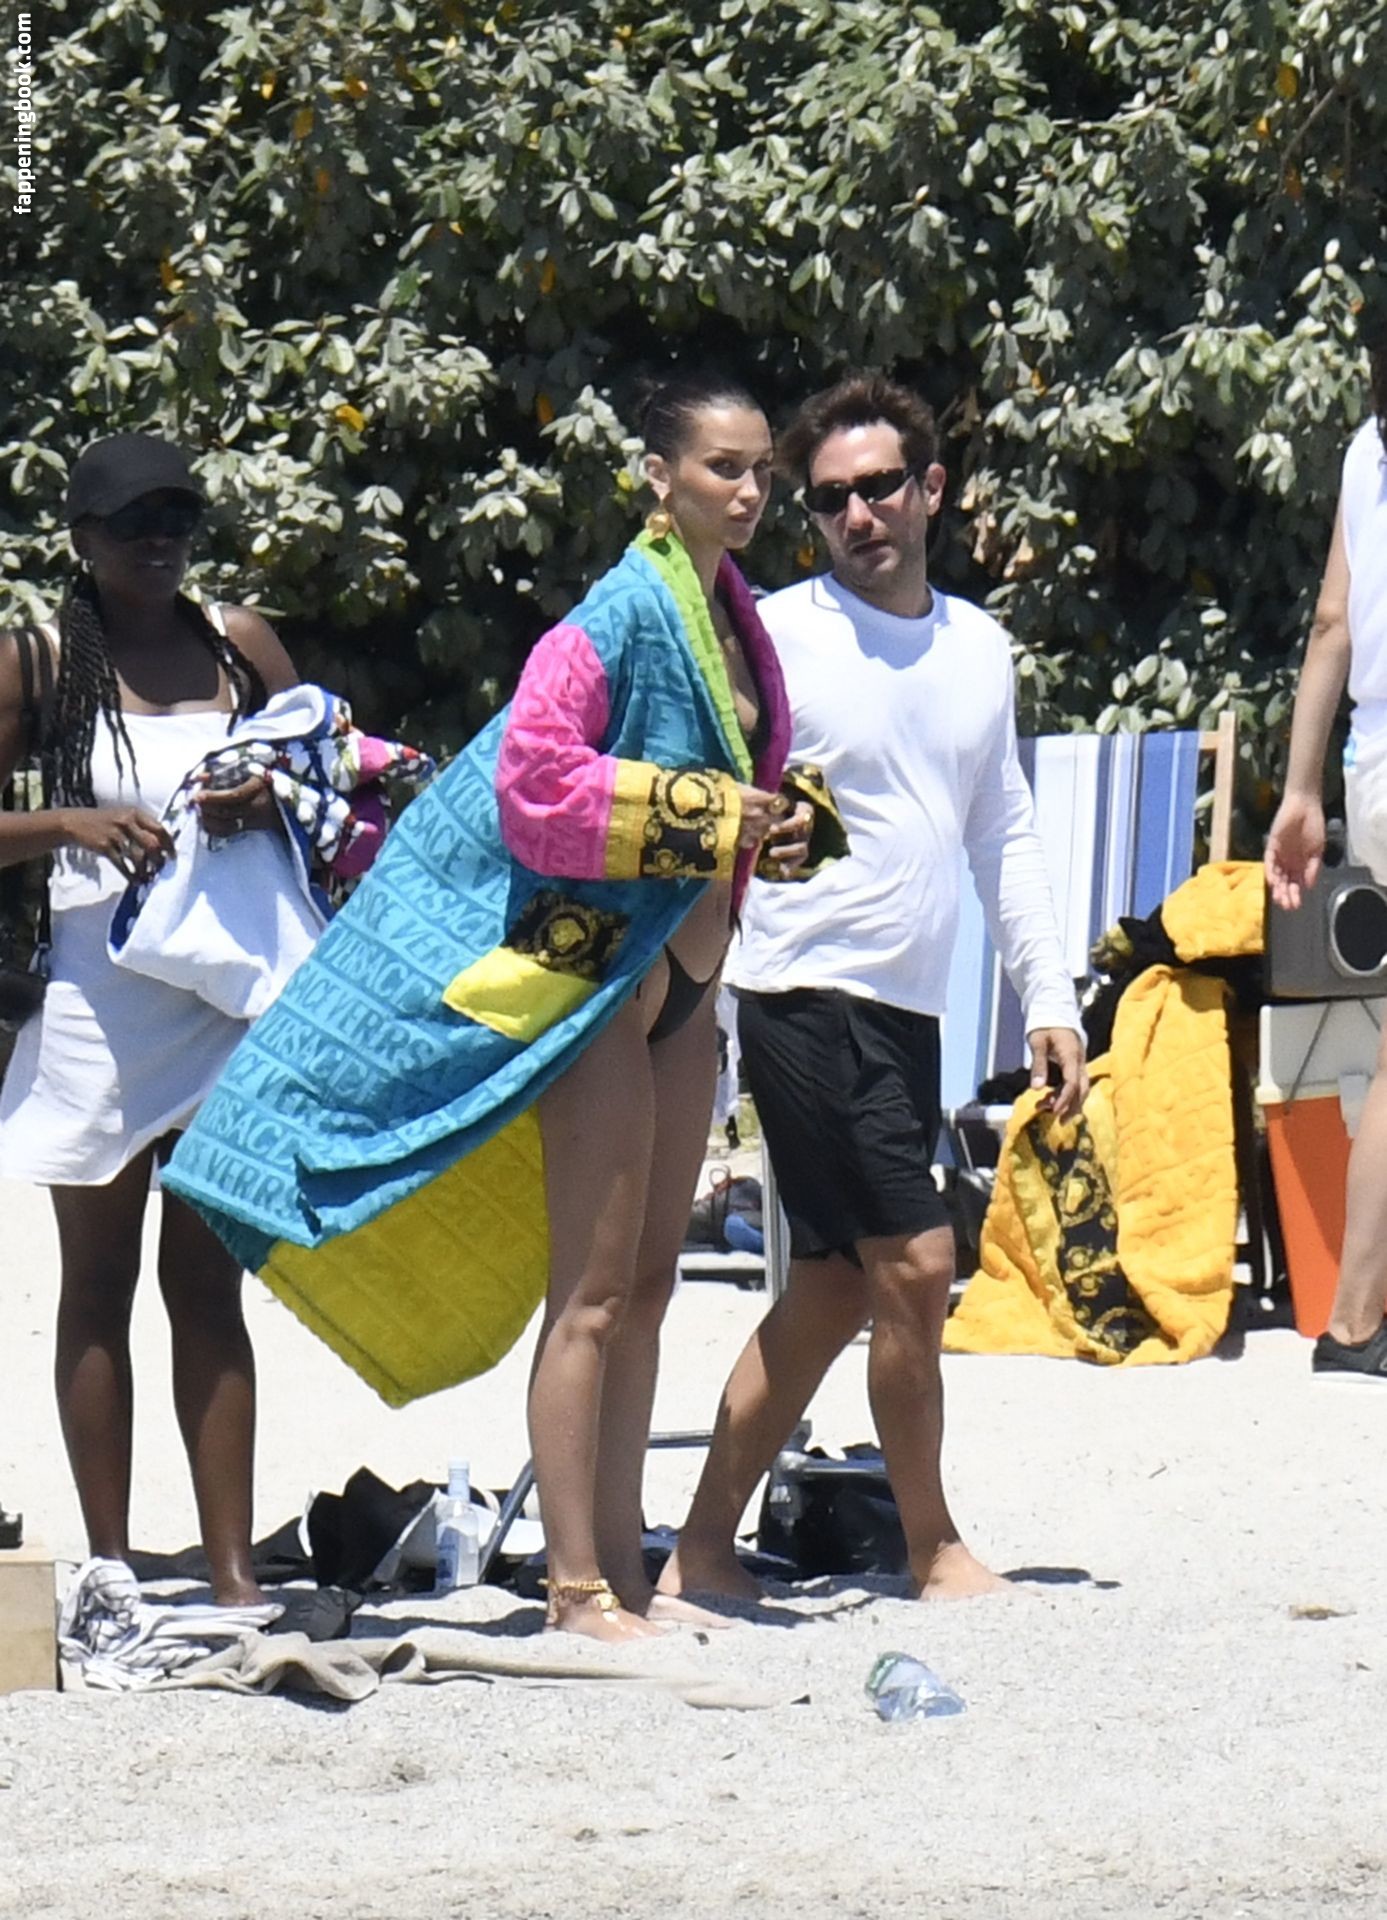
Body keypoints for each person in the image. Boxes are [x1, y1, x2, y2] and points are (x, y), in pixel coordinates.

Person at [164, 372, 814, 1642]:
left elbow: (741, 777)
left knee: (651, 1288)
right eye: (722, 468)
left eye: (759, 471)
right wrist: (707, 814)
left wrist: (783, 829)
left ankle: (625, 1573)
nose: (747, 491)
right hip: (600, 974)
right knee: (594, 1294)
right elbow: (534, 784)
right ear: (659, 476)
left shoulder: (734, 618)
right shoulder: (615, 614)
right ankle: (575, 1588)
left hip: (689, 972)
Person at [658, 372, 1088, 1605]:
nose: (857, 514)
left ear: (930, 488)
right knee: (914, 1260)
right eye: (830, 497)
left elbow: (1001, 830)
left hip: (908, 1004)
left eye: (881, 486)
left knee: (837, 1280)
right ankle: (932, 1545)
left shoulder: (978, 648)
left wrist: (1047, 999)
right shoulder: (773, 634)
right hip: (799, 983)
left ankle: (700, 1551)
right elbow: (698, 785)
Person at [0, 433, 298, 1604]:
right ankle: (114, 1570)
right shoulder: (36, 661)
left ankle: (233, 1575)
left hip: (226, 1003)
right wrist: (67, 824)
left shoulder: (239, 643)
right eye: (134, 523)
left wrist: (269, 797)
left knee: (209, 1287)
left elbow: (338, 779)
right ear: (82, 538)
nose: (161, 540)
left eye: (178, 518)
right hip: (100, 1007)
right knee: (97, 1285)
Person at [1265, 315, 1387, 1379]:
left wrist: (1301, 790)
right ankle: (1350, 1319)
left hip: (1374, 762)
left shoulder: (1365, 448)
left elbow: (1331, 624)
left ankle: (1354, 1317)